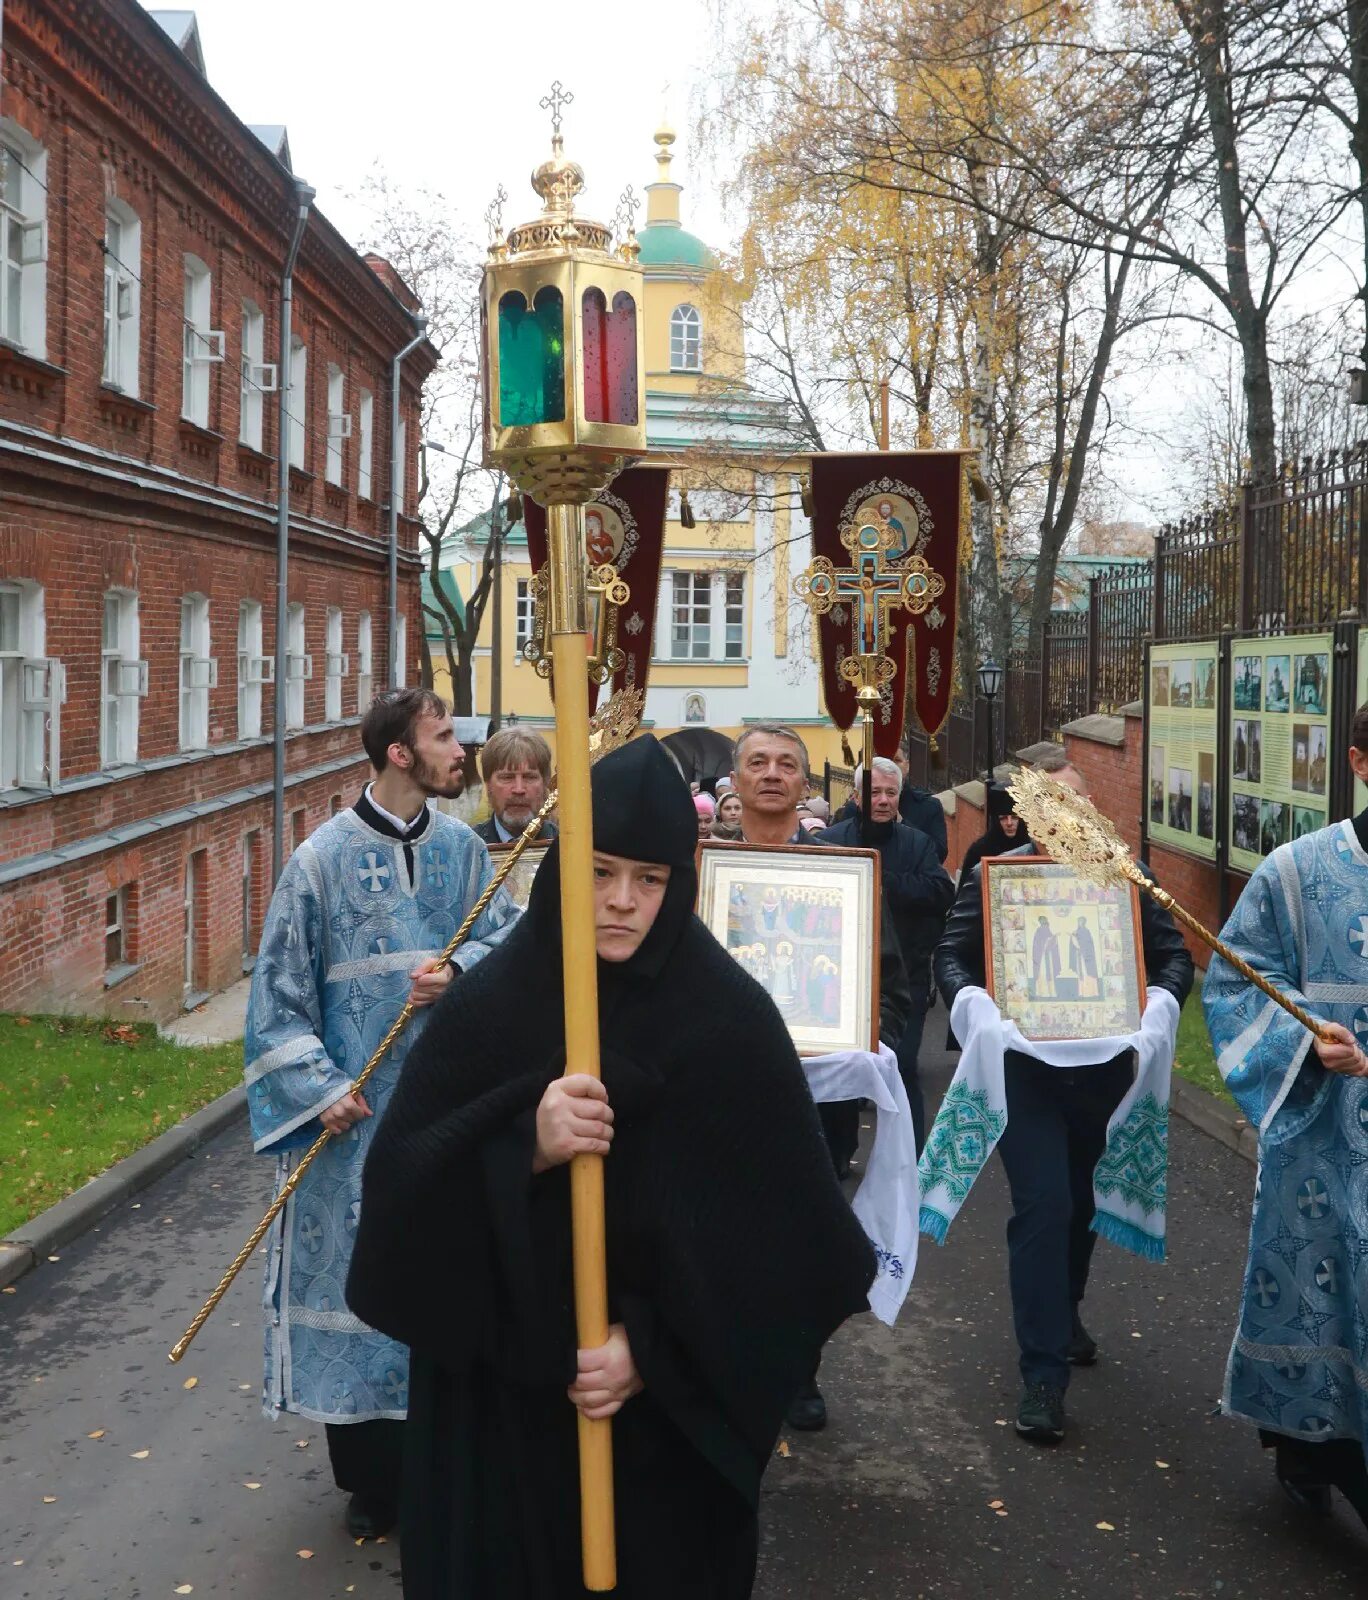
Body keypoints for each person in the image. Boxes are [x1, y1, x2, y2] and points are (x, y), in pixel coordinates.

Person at [346, 736, 876, 1598]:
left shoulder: (728, 1023)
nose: (623, 903)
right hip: (503, 1434)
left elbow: (791, 1252)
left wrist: (659, 1352)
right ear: (563, 868)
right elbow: (403, 1196)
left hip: (659, 1448)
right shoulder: (493, 1008)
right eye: (600, 872)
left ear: (682, 880)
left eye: (651, 879)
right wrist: (526, 1143)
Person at [243, 688, 520, 1539]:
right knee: (358, 1289)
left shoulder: (466, 853)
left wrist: (465, 967)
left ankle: (440, 1464)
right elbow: (275, 1000)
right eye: (443, 737)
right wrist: (322, 1089)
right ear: (400, 753)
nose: (457, 751)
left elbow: (509, 936)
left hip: (442, 1117)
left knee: (439, 1276)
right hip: (351, 1126)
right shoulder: (318, 861)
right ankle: (369, 1482)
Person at [934, 749, 1192, 1444]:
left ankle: (1067, 1306)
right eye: (1052, 803)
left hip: (1105, 1066)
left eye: (1077, 802)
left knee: (1080, 1199)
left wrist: (1159, 1010)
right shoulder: (997, 877)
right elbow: (950, 956)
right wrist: (977, 1008)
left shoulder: (1126, 880)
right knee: (1045, 1204)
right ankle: (1043, 1374)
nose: (1067, 815)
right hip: (1027, 1070)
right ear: (1031, 814)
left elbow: (1172, 957)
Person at [1202, 702, 1368, 1530]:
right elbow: (1236, 980)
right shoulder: (1297, 872)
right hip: (1324, 1134)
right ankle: (1311, 1448)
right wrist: (1307, 1036)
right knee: (1323, 1296)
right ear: (1359, 761)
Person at [730, 722, 911, 1431]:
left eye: (786, 764)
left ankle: (799, 1367)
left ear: (805, 784)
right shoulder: (699, 874)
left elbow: (889, 986)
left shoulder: (846, 875)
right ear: (735, 780)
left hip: (820, 1099)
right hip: (722, 1095)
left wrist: (865, 1049)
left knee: (809, 1239)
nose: (772, 773)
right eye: (756, 763)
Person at [817, 755, 954, 1152]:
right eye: (874, 792)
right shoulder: (831, 840)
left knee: (903, 1066)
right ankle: (838, 1154)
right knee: (843, 1069)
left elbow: (939, 892)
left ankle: (913, 1157)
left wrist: (877, 880)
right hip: (842, 979)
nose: (882, 800)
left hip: (904, 978)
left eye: (890, 793)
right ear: (857, 796)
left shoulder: (917, 842)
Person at [836, 743, 948, 861]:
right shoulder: (855, 808)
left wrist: (902, 823)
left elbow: (938, 855)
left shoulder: (928, 806)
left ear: (907, 765)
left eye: (896, 760)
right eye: (882, 760)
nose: (889, 766)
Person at [473, 728, 558, 845]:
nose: (519, 789)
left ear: (545, 784)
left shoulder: (568, 847)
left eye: (529, 777)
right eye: (507, 778)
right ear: (488, 785)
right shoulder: (468, 849)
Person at [958, 781, 1031, 884]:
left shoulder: (1031, 849)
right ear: (996, 821)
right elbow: (965, 893)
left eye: (1014, 818)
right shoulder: (979, 851)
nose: (1009, 823)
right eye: (1004, 818)